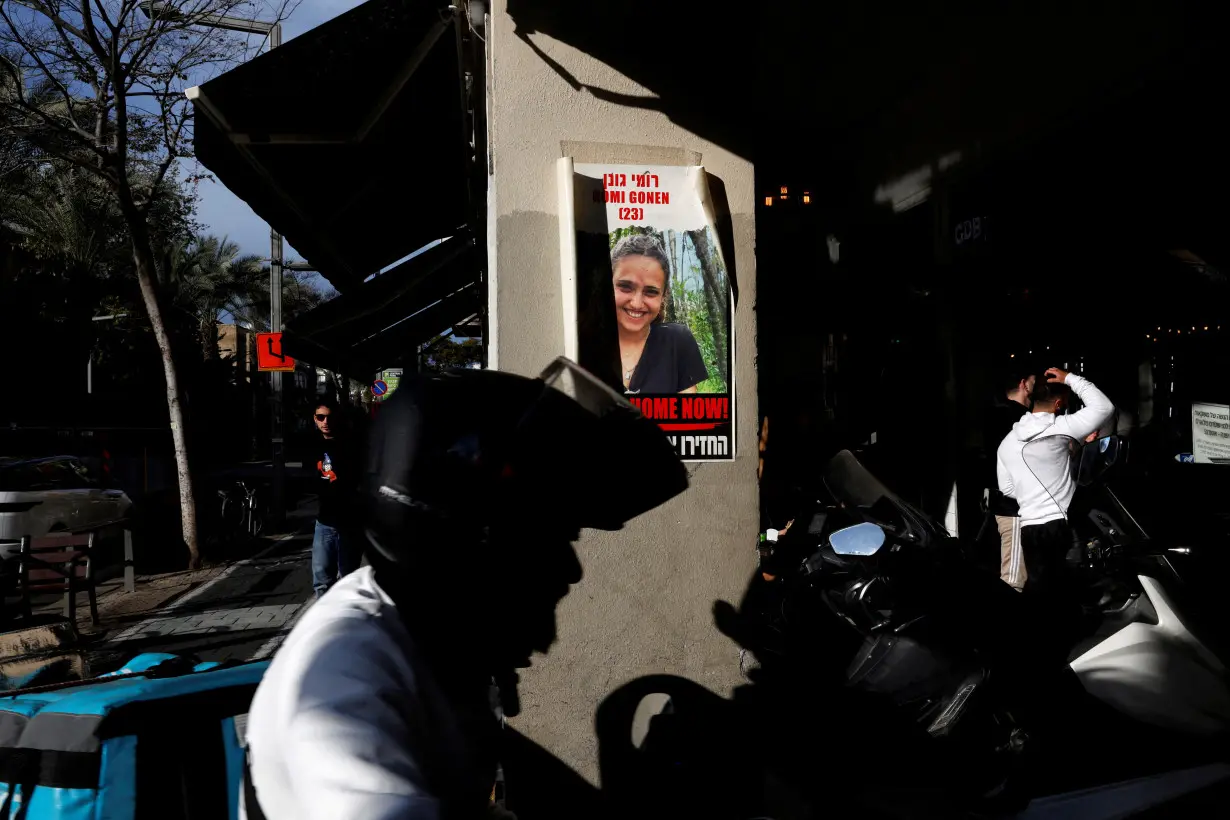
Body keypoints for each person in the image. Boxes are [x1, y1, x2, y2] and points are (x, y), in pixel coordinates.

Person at [242, 359, 688, 819]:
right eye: (550, 537)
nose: (571, 571)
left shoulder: (438, 643)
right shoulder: (344, 692)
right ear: (466, 546)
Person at [996, 368, 1114, 623]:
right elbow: (1104, 407)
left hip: (1030, 527)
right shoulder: (1063, 426)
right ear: (1059, 403)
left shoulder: (1007, 442)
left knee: (1041, 595)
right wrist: (1070, 378)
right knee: (1074, 594)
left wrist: (1031, 493)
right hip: (1064, 524)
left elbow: (1006, 488)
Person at [610, 233, 708, 394]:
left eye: (651, 292)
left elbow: (689, 415)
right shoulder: (585, 345)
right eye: (625, 287)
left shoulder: (677, 342)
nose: (636, 303)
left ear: (663, 296)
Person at [983, 367, 1035, 591]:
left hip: (1004, 502)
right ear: (1024, 384)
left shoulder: (994, 416)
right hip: (1013, 507)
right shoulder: (1021, 420)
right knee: (1013, 579)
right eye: (1035, 382)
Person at [310, 398, 361, 599]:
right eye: (320, 417)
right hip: (324, 522)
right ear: (314, 419)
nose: (325, 422)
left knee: (349, 580)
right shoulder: (311, 445)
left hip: (350, 522)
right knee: (322, 579)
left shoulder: (351, 444)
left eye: (329, 417)